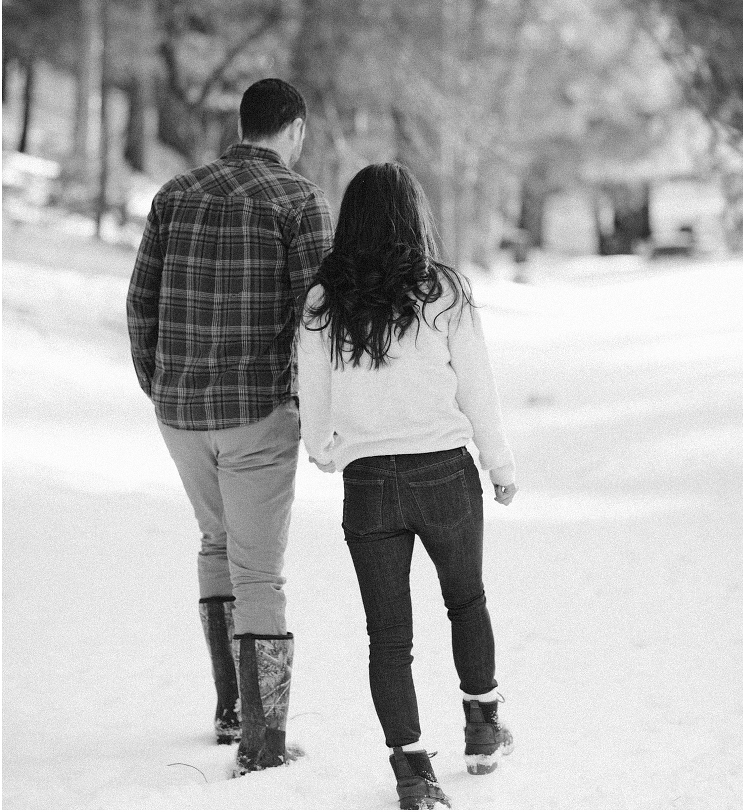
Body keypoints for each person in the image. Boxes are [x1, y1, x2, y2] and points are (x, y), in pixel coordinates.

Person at [126, 78, 333, 775]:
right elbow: (318, 317)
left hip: (180, 412)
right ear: (294, 129)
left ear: (243, 124)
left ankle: (231, 710)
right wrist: (315, 408)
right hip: (258, 413)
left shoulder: (175, 194)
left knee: (216, 541)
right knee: (260, 572)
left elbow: (139, 302)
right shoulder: (299, 201)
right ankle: (262, 742)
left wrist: (160, 385)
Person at [297, 163, 517, 811]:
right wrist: (500, 465)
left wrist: (324, 449)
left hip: (369, 483)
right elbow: (477, 387)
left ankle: (413, 771)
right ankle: (482, 727)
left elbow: (314, 394)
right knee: (466, 601)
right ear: (413, 217)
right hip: (444, 472)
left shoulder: (324, 300)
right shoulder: (443, 291)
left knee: (389, 637)